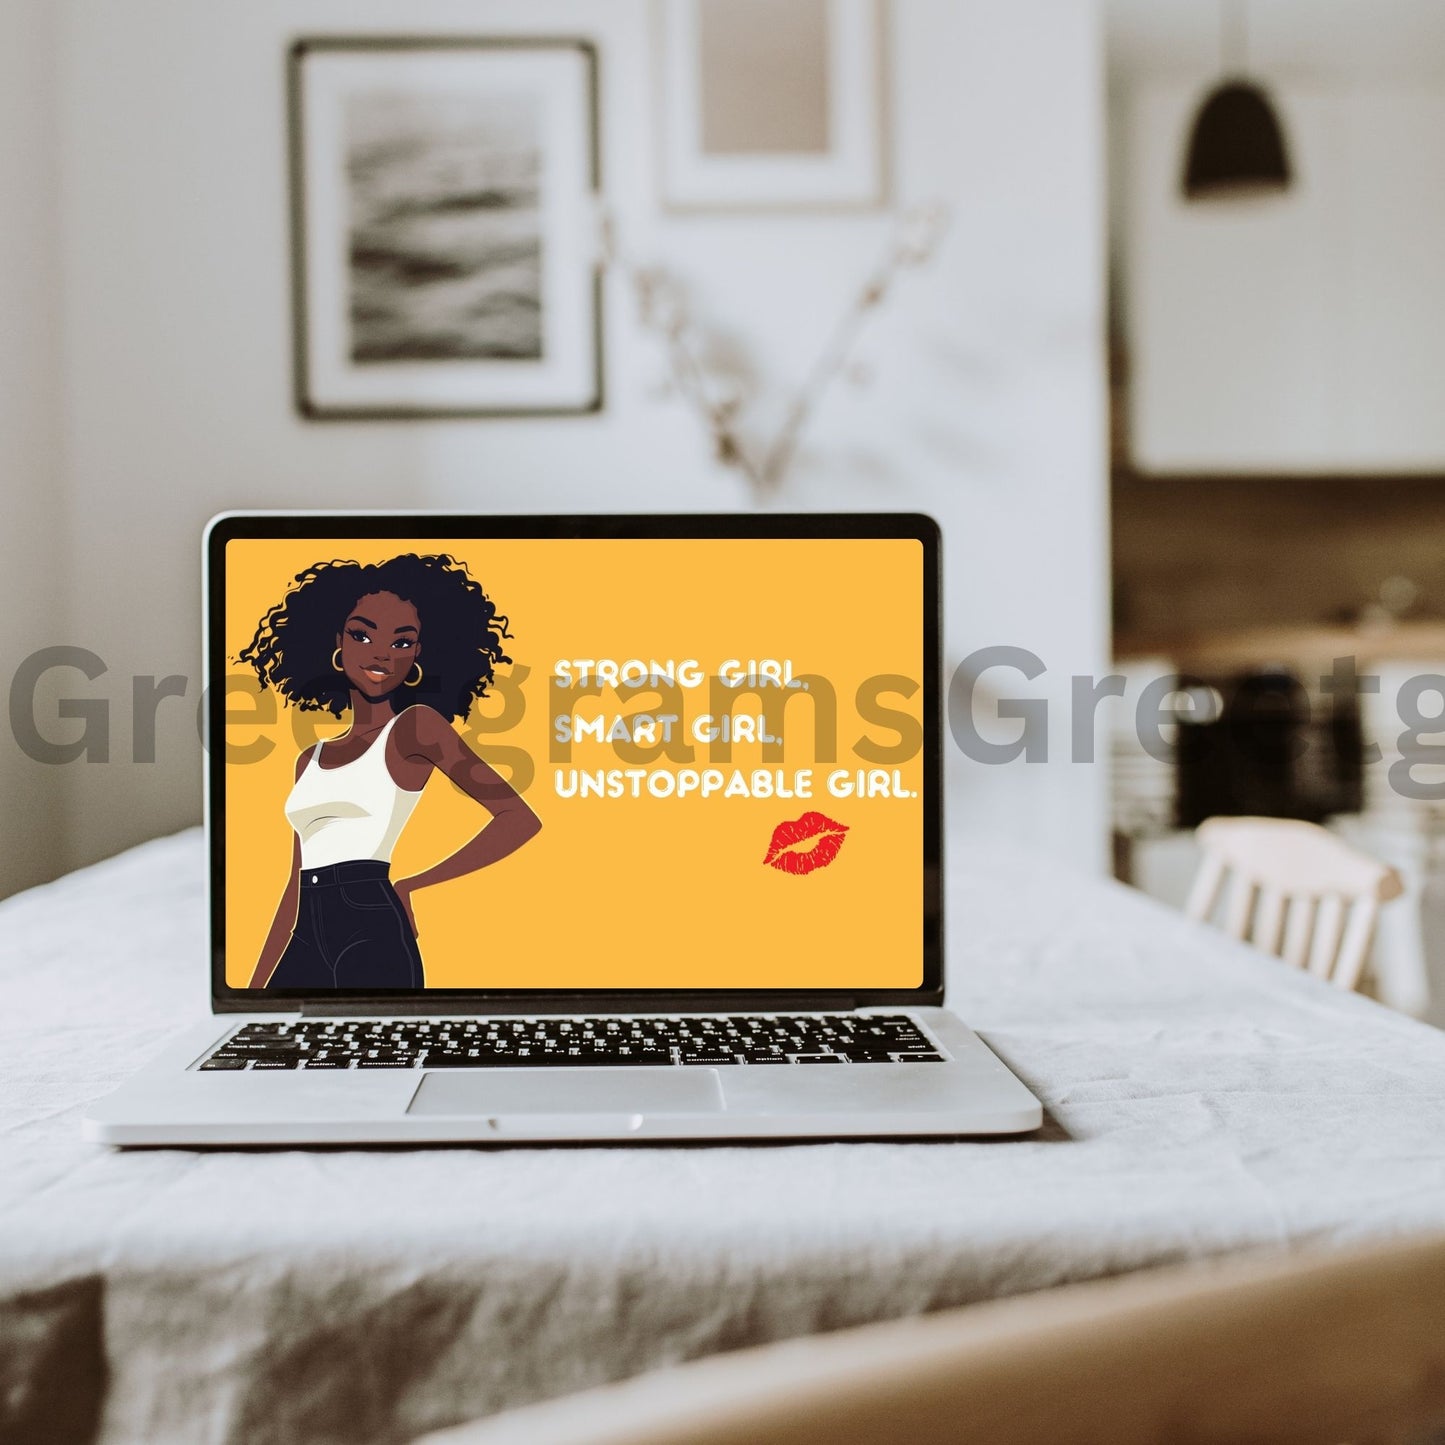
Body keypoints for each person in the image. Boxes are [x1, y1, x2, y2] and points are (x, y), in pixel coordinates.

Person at [238, 553, 541, 989]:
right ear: (337, 641)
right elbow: (294, 885)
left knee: (382, 1055)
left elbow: (518, 819)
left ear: (418, 653)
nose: (381, 652)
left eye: (401, 642)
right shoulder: (309, 758)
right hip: (306, 930)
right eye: (362, 635)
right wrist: (252, 995)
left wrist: (413, 884)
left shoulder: (415, 728)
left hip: (371, 923)